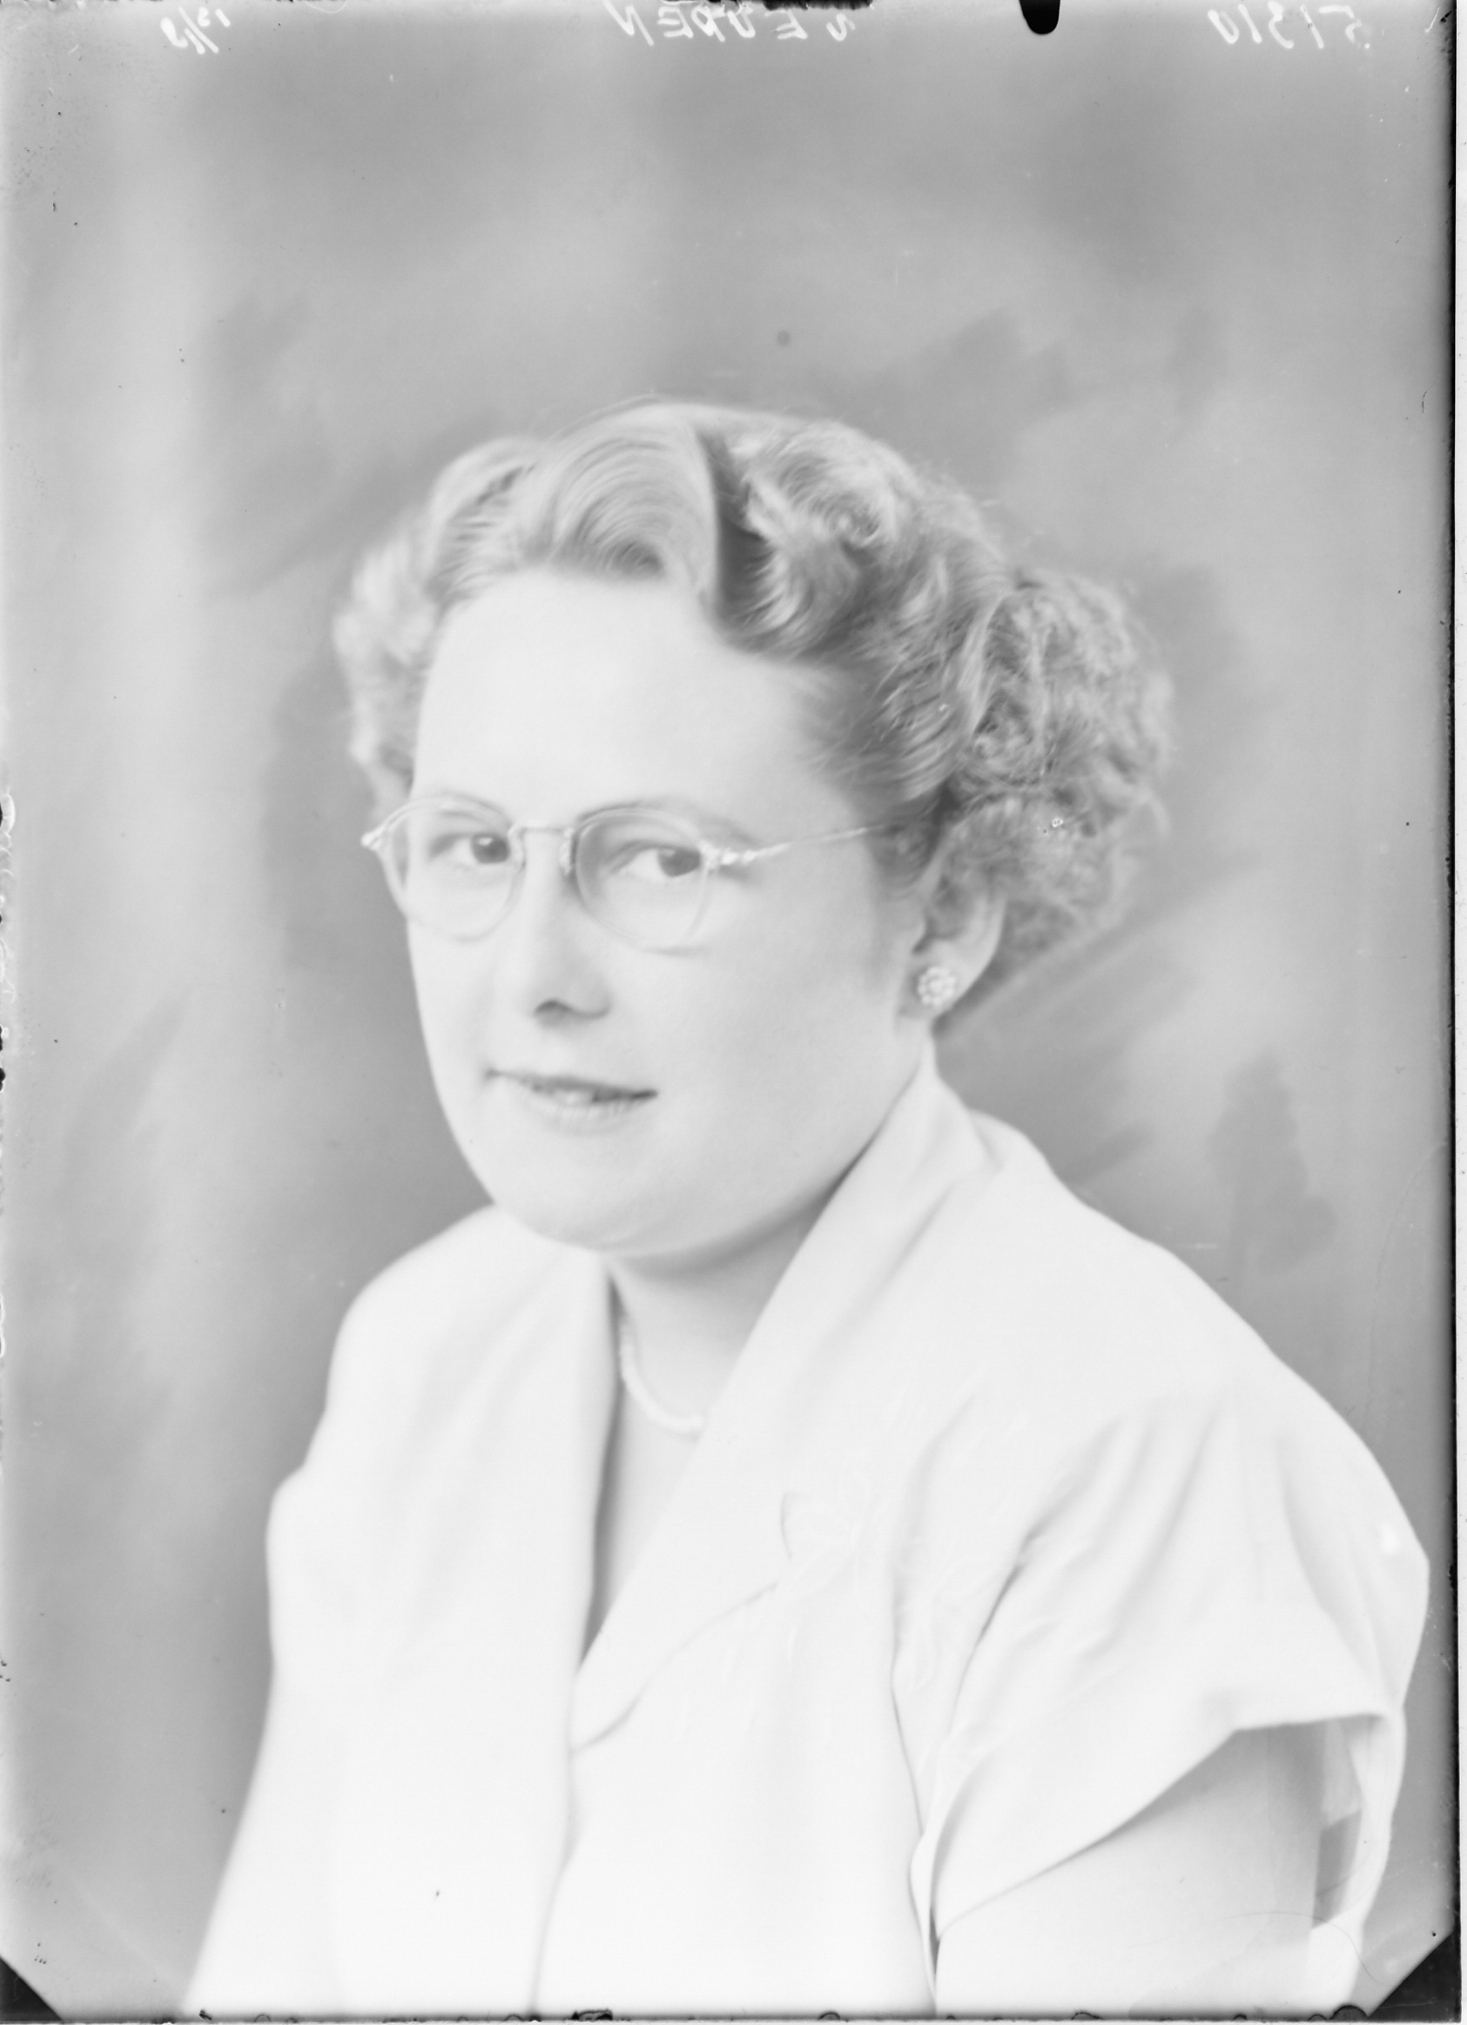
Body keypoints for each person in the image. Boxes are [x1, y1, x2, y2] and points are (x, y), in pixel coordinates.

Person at [187, 403, 1426, 2020]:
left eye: (663, 861)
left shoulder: (1138, 1462)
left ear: (947, 913)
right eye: (477, 843)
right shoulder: (431, 1352)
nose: (532, 973)